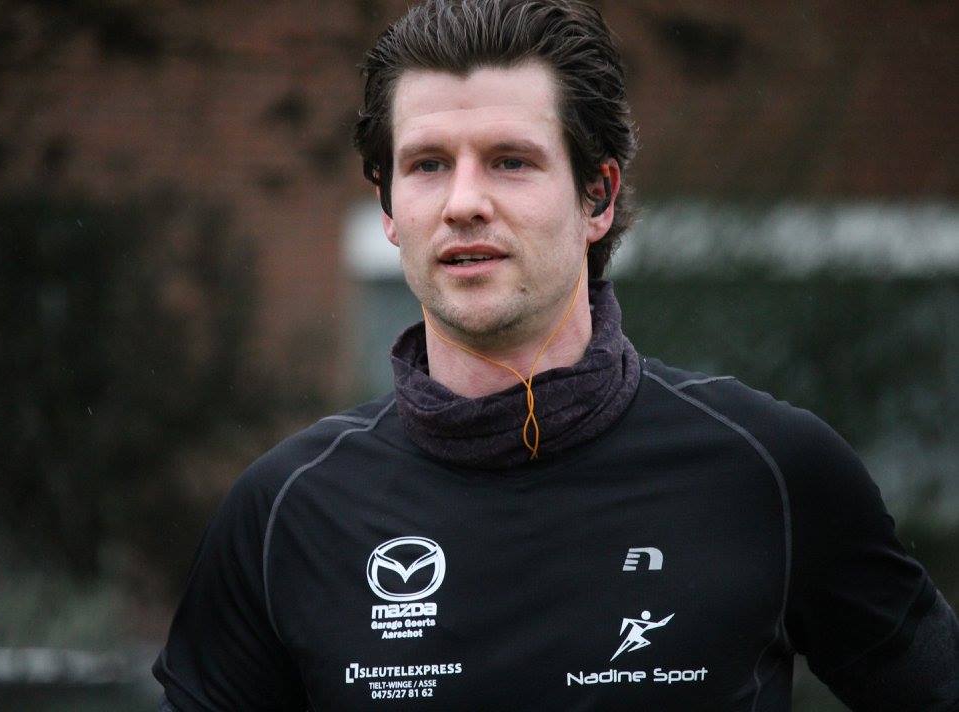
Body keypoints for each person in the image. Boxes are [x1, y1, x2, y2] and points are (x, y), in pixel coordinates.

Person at [153, 1, 959, 709]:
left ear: (597, 196)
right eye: (428, 165)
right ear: (389, 208)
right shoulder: (285, 513)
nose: (465, 202)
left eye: (511, 161)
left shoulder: (772, 471)